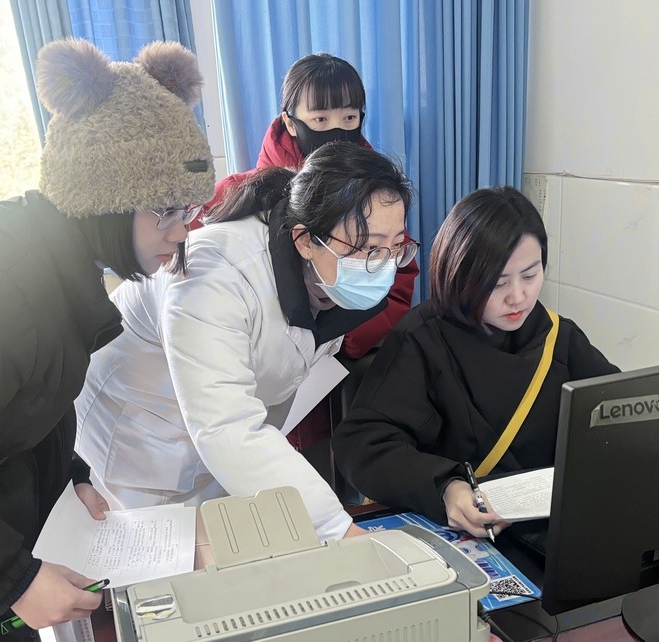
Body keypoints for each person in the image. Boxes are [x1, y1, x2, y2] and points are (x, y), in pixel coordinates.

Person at [0, 38, 214, 640]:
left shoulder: (54, 266)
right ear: (103, 198)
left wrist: (69, 474)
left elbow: (15, 403)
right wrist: (12, 580)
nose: (181, 232)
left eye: (187, 209)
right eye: (164, 210)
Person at [74, 141, 414, 543]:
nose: (382, 265)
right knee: (158, 556)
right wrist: (336, 529)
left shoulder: (330, 278)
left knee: (233, 541)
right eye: (368, 247)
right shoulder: (213, 273)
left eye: (395, 246)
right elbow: (226, 425)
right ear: (305, 240)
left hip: (218, 441)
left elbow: (273, 384)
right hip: (139, 440)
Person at [332, 186, 619, 543]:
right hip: (460, 533)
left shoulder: (558, 338)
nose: (518, 297)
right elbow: (362, 444)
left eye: (530, 275)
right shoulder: (421, 339)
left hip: (546, 535)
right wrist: (446, 487)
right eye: (498, 283)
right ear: (459, 274)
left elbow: (621, 414)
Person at [191, 52, 418, 361]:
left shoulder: (377, 196)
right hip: (251, 356)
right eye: (321, 119)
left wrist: (340, 335)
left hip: (337, 360)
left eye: (349, 118)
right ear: (290, 121)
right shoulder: (234, 193)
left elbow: (398, 281)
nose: (337, 131)